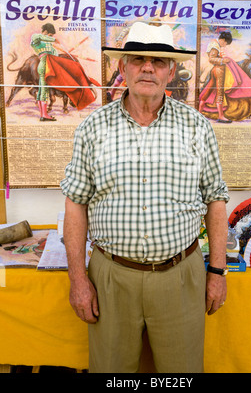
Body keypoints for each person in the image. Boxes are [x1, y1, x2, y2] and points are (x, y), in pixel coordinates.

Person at [60, 21, 229, 373]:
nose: (147, 67)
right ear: (123, 68)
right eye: (137, 59)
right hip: (110, 278)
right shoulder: (93, 127)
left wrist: (217, 271)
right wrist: (78, 279)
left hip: (181, 276)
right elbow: (75, 202)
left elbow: (215, 199)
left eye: (158, 60)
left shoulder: (197, 126)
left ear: (172, 71)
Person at [30, 23, 58, 121]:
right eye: (50, 35)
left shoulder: (48, 44)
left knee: (42, 90)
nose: (51, 38)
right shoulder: (36, 38)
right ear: (45, 32)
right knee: (44, 90)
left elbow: (55, 54)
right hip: (44, 66)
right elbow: (39, 36)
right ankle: (44, 115)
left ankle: (43, 114)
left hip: (47, 66)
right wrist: (53, 39)